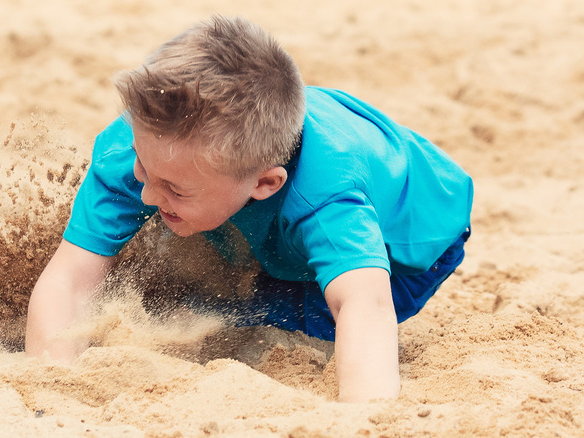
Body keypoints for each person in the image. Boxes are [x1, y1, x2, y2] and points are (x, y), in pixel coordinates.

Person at [25, 15, 473, 403]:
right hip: (250, 171)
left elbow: (366, 303)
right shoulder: (141, 146)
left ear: (264, 183)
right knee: (172, 269)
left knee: (262, 319)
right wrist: (52, 387)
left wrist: (366, 419)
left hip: (412, 240)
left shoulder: (328, 203)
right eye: (145, 169)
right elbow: (70, 279)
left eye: (174, 190)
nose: (146, 195)